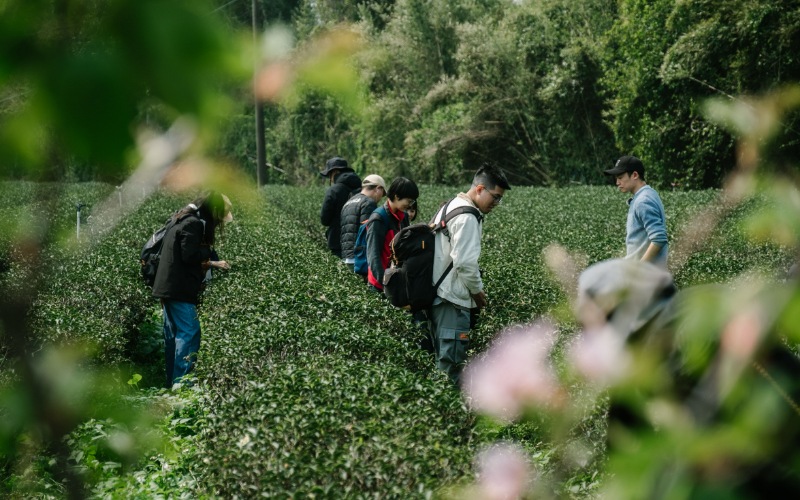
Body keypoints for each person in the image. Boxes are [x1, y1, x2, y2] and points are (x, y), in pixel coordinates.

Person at [430, 163, 510, 385]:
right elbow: (465, 263)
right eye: (495, 197)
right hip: (452, 300)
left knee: (443, 360)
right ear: (480, 189)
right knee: (451, 367)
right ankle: (448, 417)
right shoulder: (467, 216)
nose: (496, 203)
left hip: (439, 295)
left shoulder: (451, 205)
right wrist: (477, 292)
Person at [152, 191, 233, 389]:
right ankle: (182, 386)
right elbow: (189, 255)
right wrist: (207, 251)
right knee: (189, 333)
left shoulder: (183, 217)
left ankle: (172, 382)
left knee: (173, 335)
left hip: (169, 286)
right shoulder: (193, 223)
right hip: (178, 287)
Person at [604, 155, 669, 267]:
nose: (617, 183)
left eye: (620, 177)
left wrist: (638, 269)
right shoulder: (649, 193)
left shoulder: (643, 201)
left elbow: (659, 238)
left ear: (634, 175)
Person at [366, 177, 419, 293]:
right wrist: (385, 283)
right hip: (380, 284)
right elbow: (373, 256)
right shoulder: (378, 219)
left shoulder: (403, 217)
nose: (410, 205)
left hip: (396, 280)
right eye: (409, 201)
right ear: (396, 196)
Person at [340, 174, 386, 276]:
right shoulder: (368, 203)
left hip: (347, 256)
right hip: (359, 258)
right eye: (382, 194)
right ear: (378, 188)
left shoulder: (348, 202)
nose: (380, 198)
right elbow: (367, 232)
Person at [320, 157, 362, 258]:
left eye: (330, 175)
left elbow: (324, 220)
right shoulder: (361, 188)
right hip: (359, 241)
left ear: (335, 171)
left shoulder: (334, 190)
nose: (330, 178)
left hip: (337, 242)